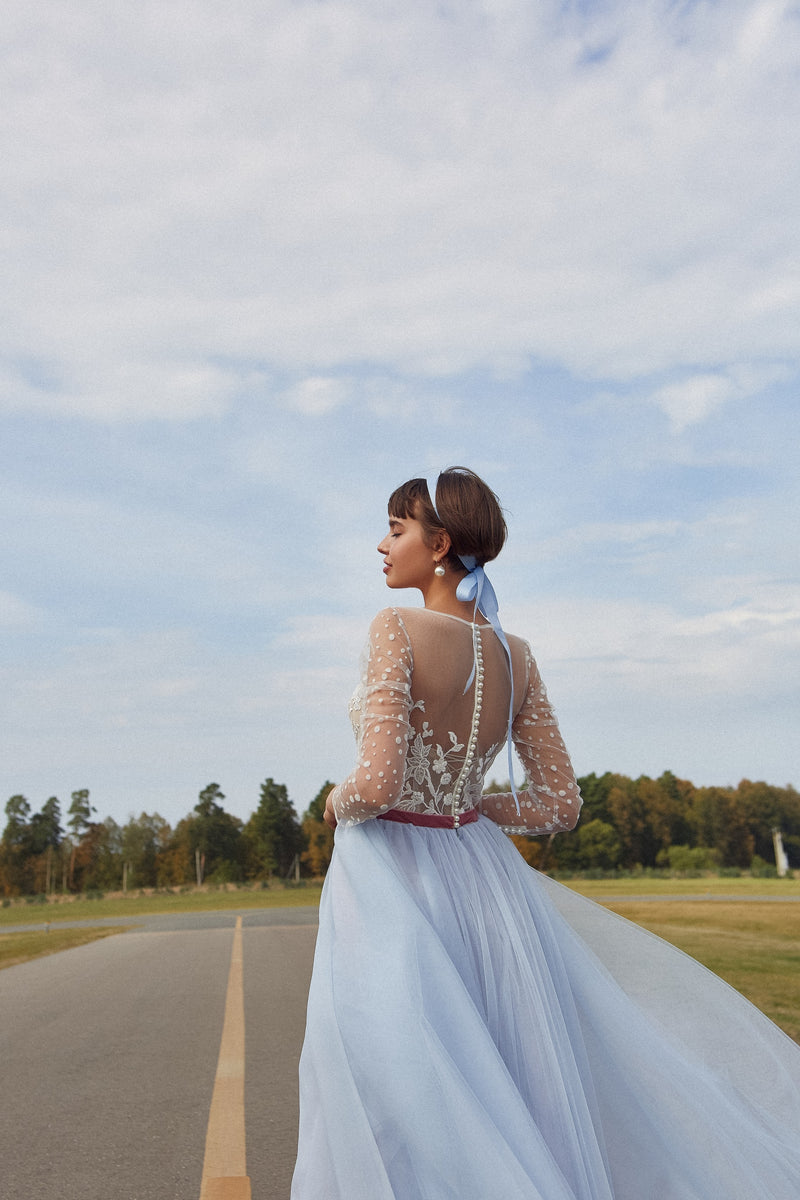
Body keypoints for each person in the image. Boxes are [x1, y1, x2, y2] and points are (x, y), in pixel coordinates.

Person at [291, 467, 800, 1200]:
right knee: (510, 1074)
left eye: (396, 529)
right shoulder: (516, 653)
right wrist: (469, 811)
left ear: (439, 544)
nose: (381, 544)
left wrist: (335, 805)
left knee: (398, 1083)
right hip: (487, 884)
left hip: (396, 879)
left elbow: (375, 784)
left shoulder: (394, 628)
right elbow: (559, 803)